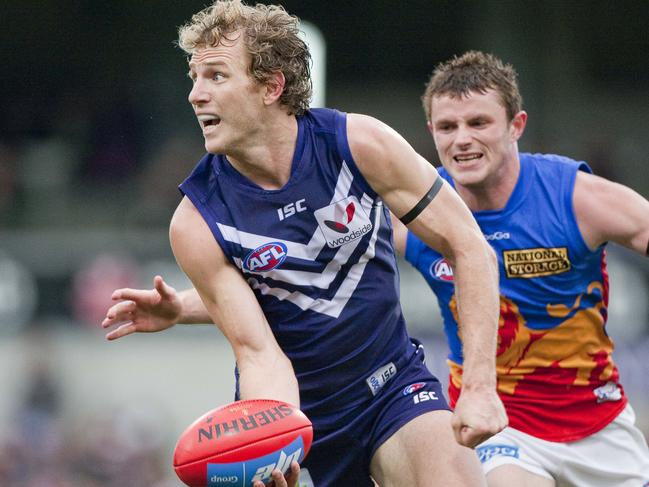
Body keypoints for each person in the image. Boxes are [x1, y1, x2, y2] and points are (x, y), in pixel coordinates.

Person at [102, 2, 507, 487]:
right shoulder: (196, 222)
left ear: (271, 86)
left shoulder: (359, 144)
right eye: (194, 76)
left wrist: (481, 386)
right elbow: (259, 353)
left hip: (392, 388)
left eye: (215, 75)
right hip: (299, 417)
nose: (195, 95)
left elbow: (469, 247)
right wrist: (276, 437)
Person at [390, 51, 649, 486]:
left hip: (599, 422)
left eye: (478, 123)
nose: (462, 140)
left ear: (516, 126)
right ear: (432, 132)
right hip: (498, 425)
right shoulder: (418, 212)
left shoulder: (577, 198)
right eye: (448, 127)